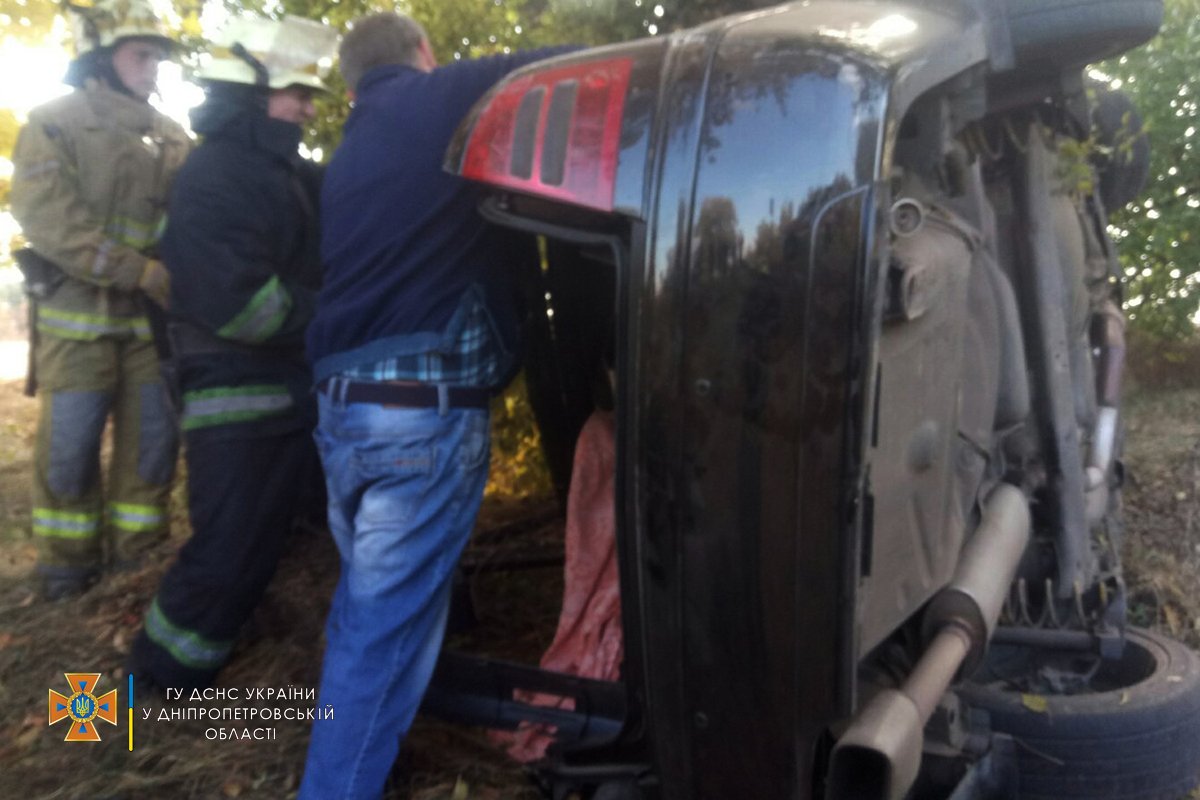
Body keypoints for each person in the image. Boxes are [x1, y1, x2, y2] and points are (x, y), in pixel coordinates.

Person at [298, 14, 575, 798]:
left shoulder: (350, 154)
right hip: (416, 415)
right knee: (379, 635)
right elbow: (575, 65)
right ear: (422, 55)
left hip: (342, 412)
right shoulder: (435, 98)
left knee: (368, 617)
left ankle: (363, 763)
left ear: (349, 83)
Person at [128, 15, 337, 691]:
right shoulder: (215, 177)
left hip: (283, 390)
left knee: (277, 542)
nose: (308, 108)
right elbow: (245, 306)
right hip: (236, 396)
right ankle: (141, 693)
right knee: (228, 551)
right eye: (296, 95)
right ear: (252, 95)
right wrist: (337, 314)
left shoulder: (279, 172)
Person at [10, 0, 190, 600]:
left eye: (159, 57)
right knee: (68, 454)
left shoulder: (172, 136)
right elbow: (49, 219)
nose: (154, 68)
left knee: (152, 454)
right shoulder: (53, 123)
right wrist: (139, 272)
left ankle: (135, 573)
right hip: (76, 327)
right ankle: (65, 572)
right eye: (142, 55)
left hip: (149, 333)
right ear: (101, 57)